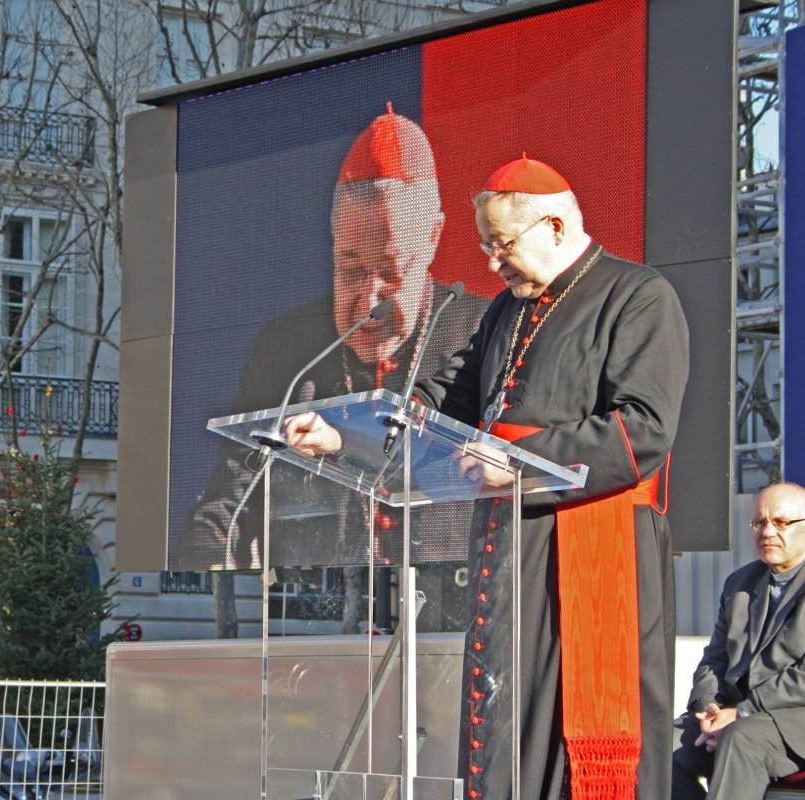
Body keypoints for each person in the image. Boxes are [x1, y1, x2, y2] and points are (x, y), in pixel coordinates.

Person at [285, 155, 689, 798]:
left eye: (502, 244)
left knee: (572, 723)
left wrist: (519, 460)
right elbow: (450, 397)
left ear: (555, 227)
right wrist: (344, 434)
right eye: (484, 245)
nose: (491, 262)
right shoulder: (505, 310)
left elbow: (643, 430)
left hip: (592, 543)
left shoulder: (637, 296)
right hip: (509, 545)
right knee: (506, 714)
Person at [180, 105, 488, 612]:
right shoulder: (286, 349)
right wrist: (208, 556)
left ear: (432, 239)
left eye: (389, 270)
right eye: (349, 267)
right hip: (313, 621)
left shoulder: (480, 331)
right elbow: (227, 507)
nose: (367, 303)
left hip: (453, 615)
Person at [672, 482, 805, 800]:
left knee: (742, 738)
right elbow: (715, 659)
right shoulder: (740, 583)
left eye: (782, 522)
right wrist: (710, 707)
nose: (768, 531)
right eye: (759, 522)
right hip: (745, 716)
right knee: (665, 743)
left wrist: (742, 712)